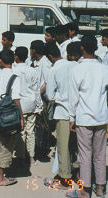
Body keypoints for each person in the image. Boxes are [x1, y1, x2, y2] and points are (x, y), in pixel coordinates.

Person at [67, 35, 108, 198]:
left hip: (84, 117)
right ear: (96, 48)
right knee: (100, 153)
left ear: (82, 48)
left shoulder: (77, 69)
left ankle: (84, 190)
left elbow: (73, 96)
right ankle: (100, 187)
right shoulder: (103, 68)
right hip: (101, 116)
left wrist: (71, 117)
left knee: (84, 154)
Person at [0, 49, 23, 186]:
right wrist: (21, 117)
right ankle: (1, 178)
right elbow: (16, 99)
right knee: (7, 145)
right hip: (7, 116)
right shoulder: (15, 77)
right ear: (14, 59)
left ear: (0, 61)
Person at [44, 43, 76, 189]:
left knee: (63, 147)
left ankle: (65, 179)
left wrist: (61, 95)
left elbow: (50, 96)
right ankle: (71, 172)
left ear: (50, 57)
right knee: (74, 146)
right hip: (77, 112)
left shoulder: (54, 69)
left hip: (63, 112)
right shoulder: (74, 65)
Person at [13, 47, 41, 165]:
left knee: (20, 131)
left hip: (19, 104)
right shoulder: (33, 71)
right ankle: (31, 157)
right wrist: (39, 105)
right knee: (30, 131)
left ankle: (20, 156)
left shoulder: (14, 71)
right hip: (31, 103)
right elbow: (36, 89)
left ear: (16, 57)